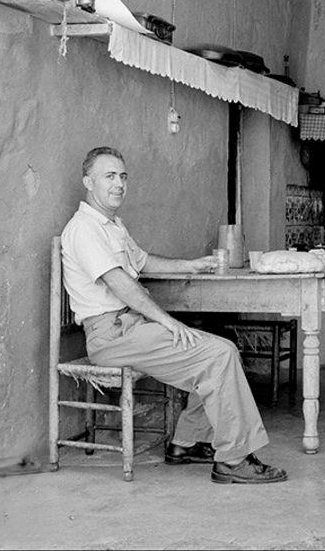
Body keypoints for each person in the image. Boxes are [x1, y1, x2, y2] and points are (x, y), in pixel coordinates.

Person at [60, 146, 287, 484]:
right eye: (109, 176)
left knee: (218, 349)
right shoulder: (84, 228)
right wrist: (167, 321)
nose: (119, 183)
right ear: (88, 181)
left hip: (129, 326)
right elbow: (120, 283)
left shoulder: (111, 225)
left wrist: (191, 265)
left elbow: (142, 261)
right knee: (218, 354)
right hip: (111, 335)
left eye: (123, 176)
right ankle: (233, 460)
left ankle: (186, 442)